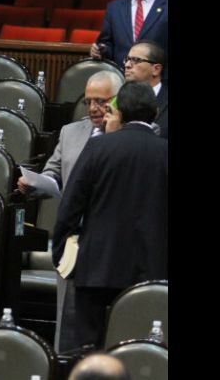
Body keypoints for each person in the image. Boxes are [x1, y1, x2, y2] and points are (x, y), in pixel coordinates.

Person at [52, 81, 168, 348]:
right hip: (151, 271)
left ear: (121, 112)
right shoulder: (165, 153)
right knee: (141, 348)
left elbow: (70, 207)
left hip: (97, 267)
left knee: (89, 349)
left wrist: (62, 257)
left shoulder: (98, 147)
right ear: (155, 113)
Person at [17, 70, 122, 352]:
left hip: (114, 243)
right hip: (74, 239)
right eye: (88, 101)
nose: (93, 108)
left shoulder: (128, 135)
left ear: (118, 100)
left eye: (101, 101)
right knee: (68, 321)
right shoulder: (71, 132)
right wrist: (34, 184)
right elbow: (53, 174)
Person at [90, 0, 168, 75]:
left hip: (158, 82)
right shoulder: (114, 8)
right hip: (121, 80)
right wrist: (100, 50)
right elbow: (106, 43)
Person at [123, 40, 168, 139]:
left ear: (156, 69)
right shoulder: (117, 99)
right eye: (127, 59)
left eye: (136, 60)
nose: (127, 65)